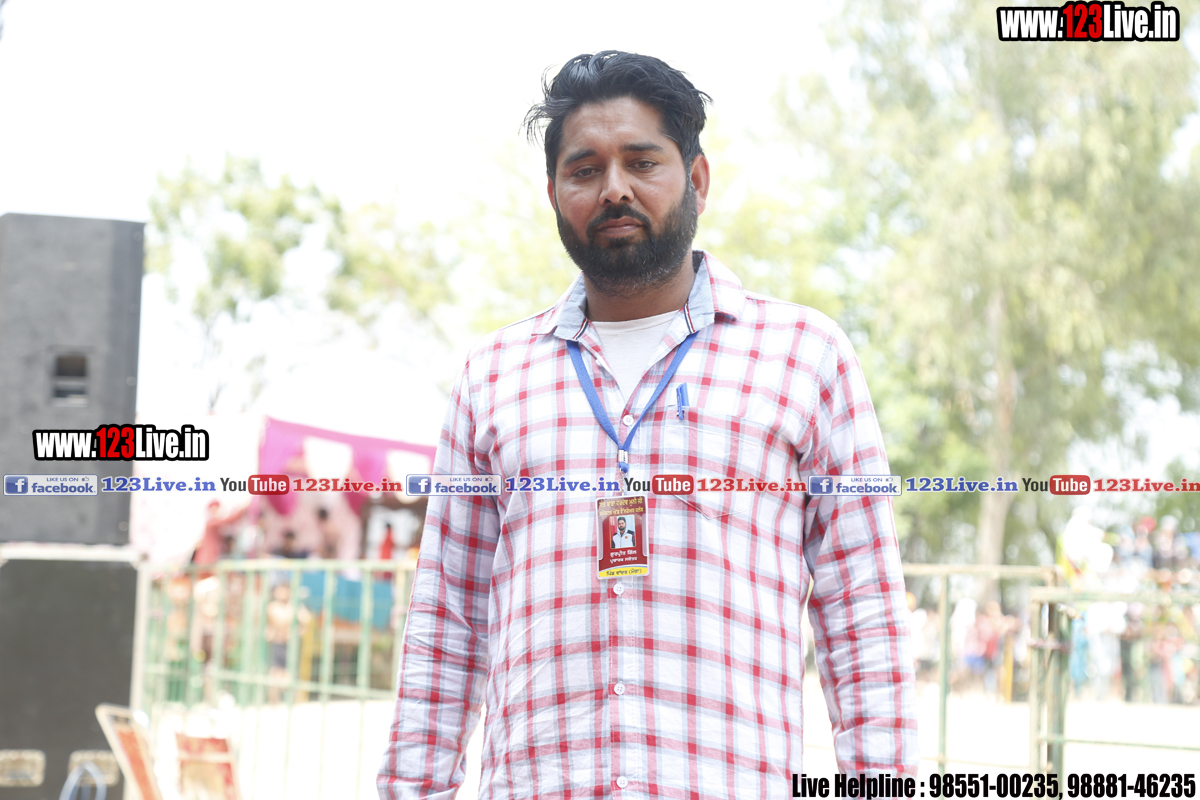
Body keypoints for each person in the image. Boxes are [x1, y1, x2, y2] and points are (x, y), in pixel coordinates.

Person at [379, 51, 916, 798]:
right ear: (554, 192)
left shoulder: (805, 357)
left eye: (642, 162)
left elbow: (863, 615)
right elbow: (447, 620)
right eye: (585, 169)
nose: (614, 189)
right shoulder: (492, 376)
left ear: (697, 178)